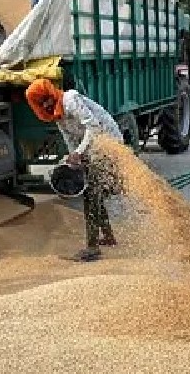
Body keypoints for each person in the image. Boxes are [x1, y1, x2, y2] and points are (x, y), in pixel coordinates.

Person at [25, 79, 123, 262]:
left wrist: (78, 153)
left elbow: (93, 126)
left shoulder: (70, 100)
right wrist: (72, 158)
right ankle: (108, 237)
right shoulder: (56, 115)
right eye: (40, 103)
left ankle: (93, 248)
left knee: (92, 193)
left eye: (45, 100)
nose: (45, 105)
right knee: (92, 192)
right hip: (90, 147)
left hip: (108, 143)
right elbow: (69, 137)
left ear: (51, 94)